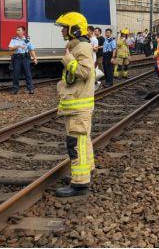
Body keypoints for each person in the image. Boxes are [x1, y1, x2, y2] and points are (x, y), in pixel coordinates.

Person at [54, 12, 96, 197]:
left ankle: (80, 184)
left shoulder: (82, 48)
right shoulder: (78, 46)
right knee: (83, 141)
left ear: (74, 29)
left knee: (76, 143)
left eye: (65, 27)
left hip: (79, 106)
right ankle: (86, 172)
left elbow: (85, 72)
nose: (62, 30)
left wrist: (69, 61)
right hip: (77, 105)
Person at [9, 26, 37, 94]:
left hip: (25, 58)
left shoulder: (26, 40)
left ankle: (30, 89)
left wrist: (35, 58)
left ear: (23, 32)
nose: (17, 32)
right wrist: (18, 46)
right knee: (16, 74)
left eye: (19, 30)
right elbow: (10, 49)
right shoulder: (14, 40)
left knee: (28, 74)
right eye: (17, 30)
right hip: (17, 58)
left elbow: (31, 49)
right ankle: (15, 89)